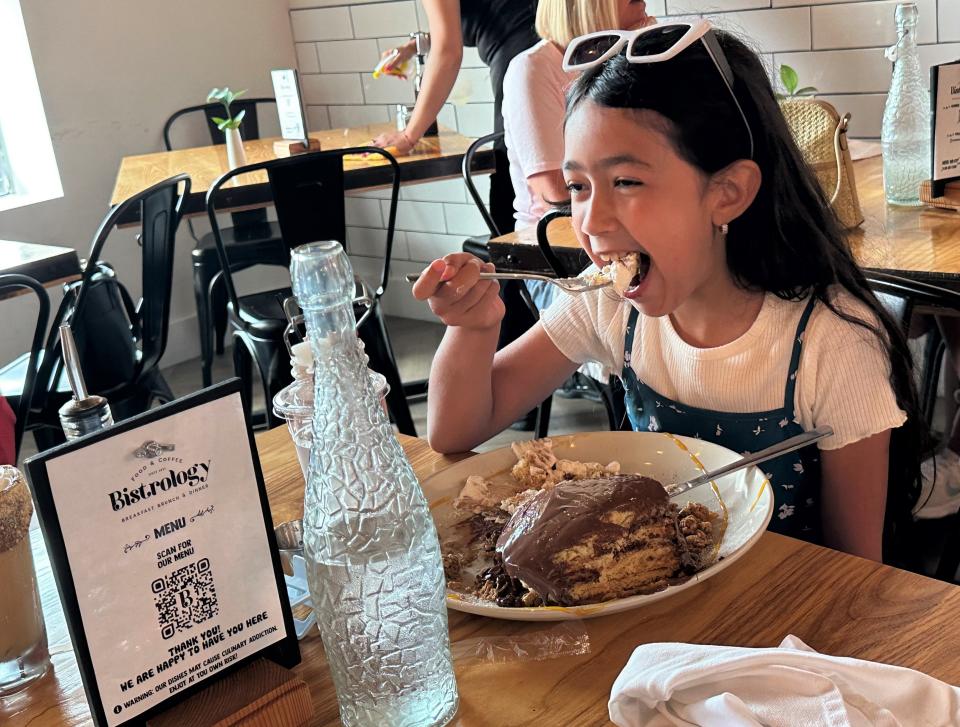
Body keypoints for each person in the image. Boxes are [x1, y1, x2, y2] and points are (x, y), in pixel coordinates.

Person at [410, 21, 924, 562]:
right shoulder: (607, 306)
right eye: (579, 186)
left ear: (726, 193)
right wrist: (472, 326)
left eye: (626, 182)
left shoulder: (829, 344)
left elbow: (856, 569)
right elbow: (454, 430)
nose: (590, 219)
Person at [373, 0, 538, 235]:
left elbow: (448, 52)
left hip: (522, 63)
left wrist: (409, 136)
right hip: (556, 50)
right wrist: (414, 47)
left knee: (511, 206)